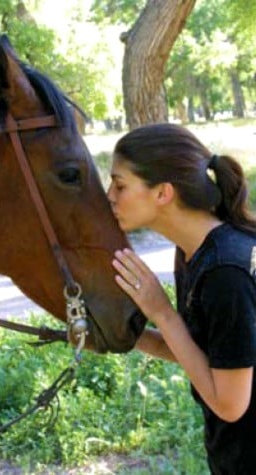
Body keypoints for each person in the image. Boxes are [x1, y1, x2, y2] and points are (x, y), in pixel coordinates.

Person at [108, 123, 256, 475]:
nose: (109, 196)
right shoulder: (195, 253)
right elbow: (201, 355)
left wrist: (162, 312)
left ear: (163, 193)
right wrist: (117, 335)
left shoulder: (226, 272)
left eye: (119, 184)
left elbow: (231, 404)